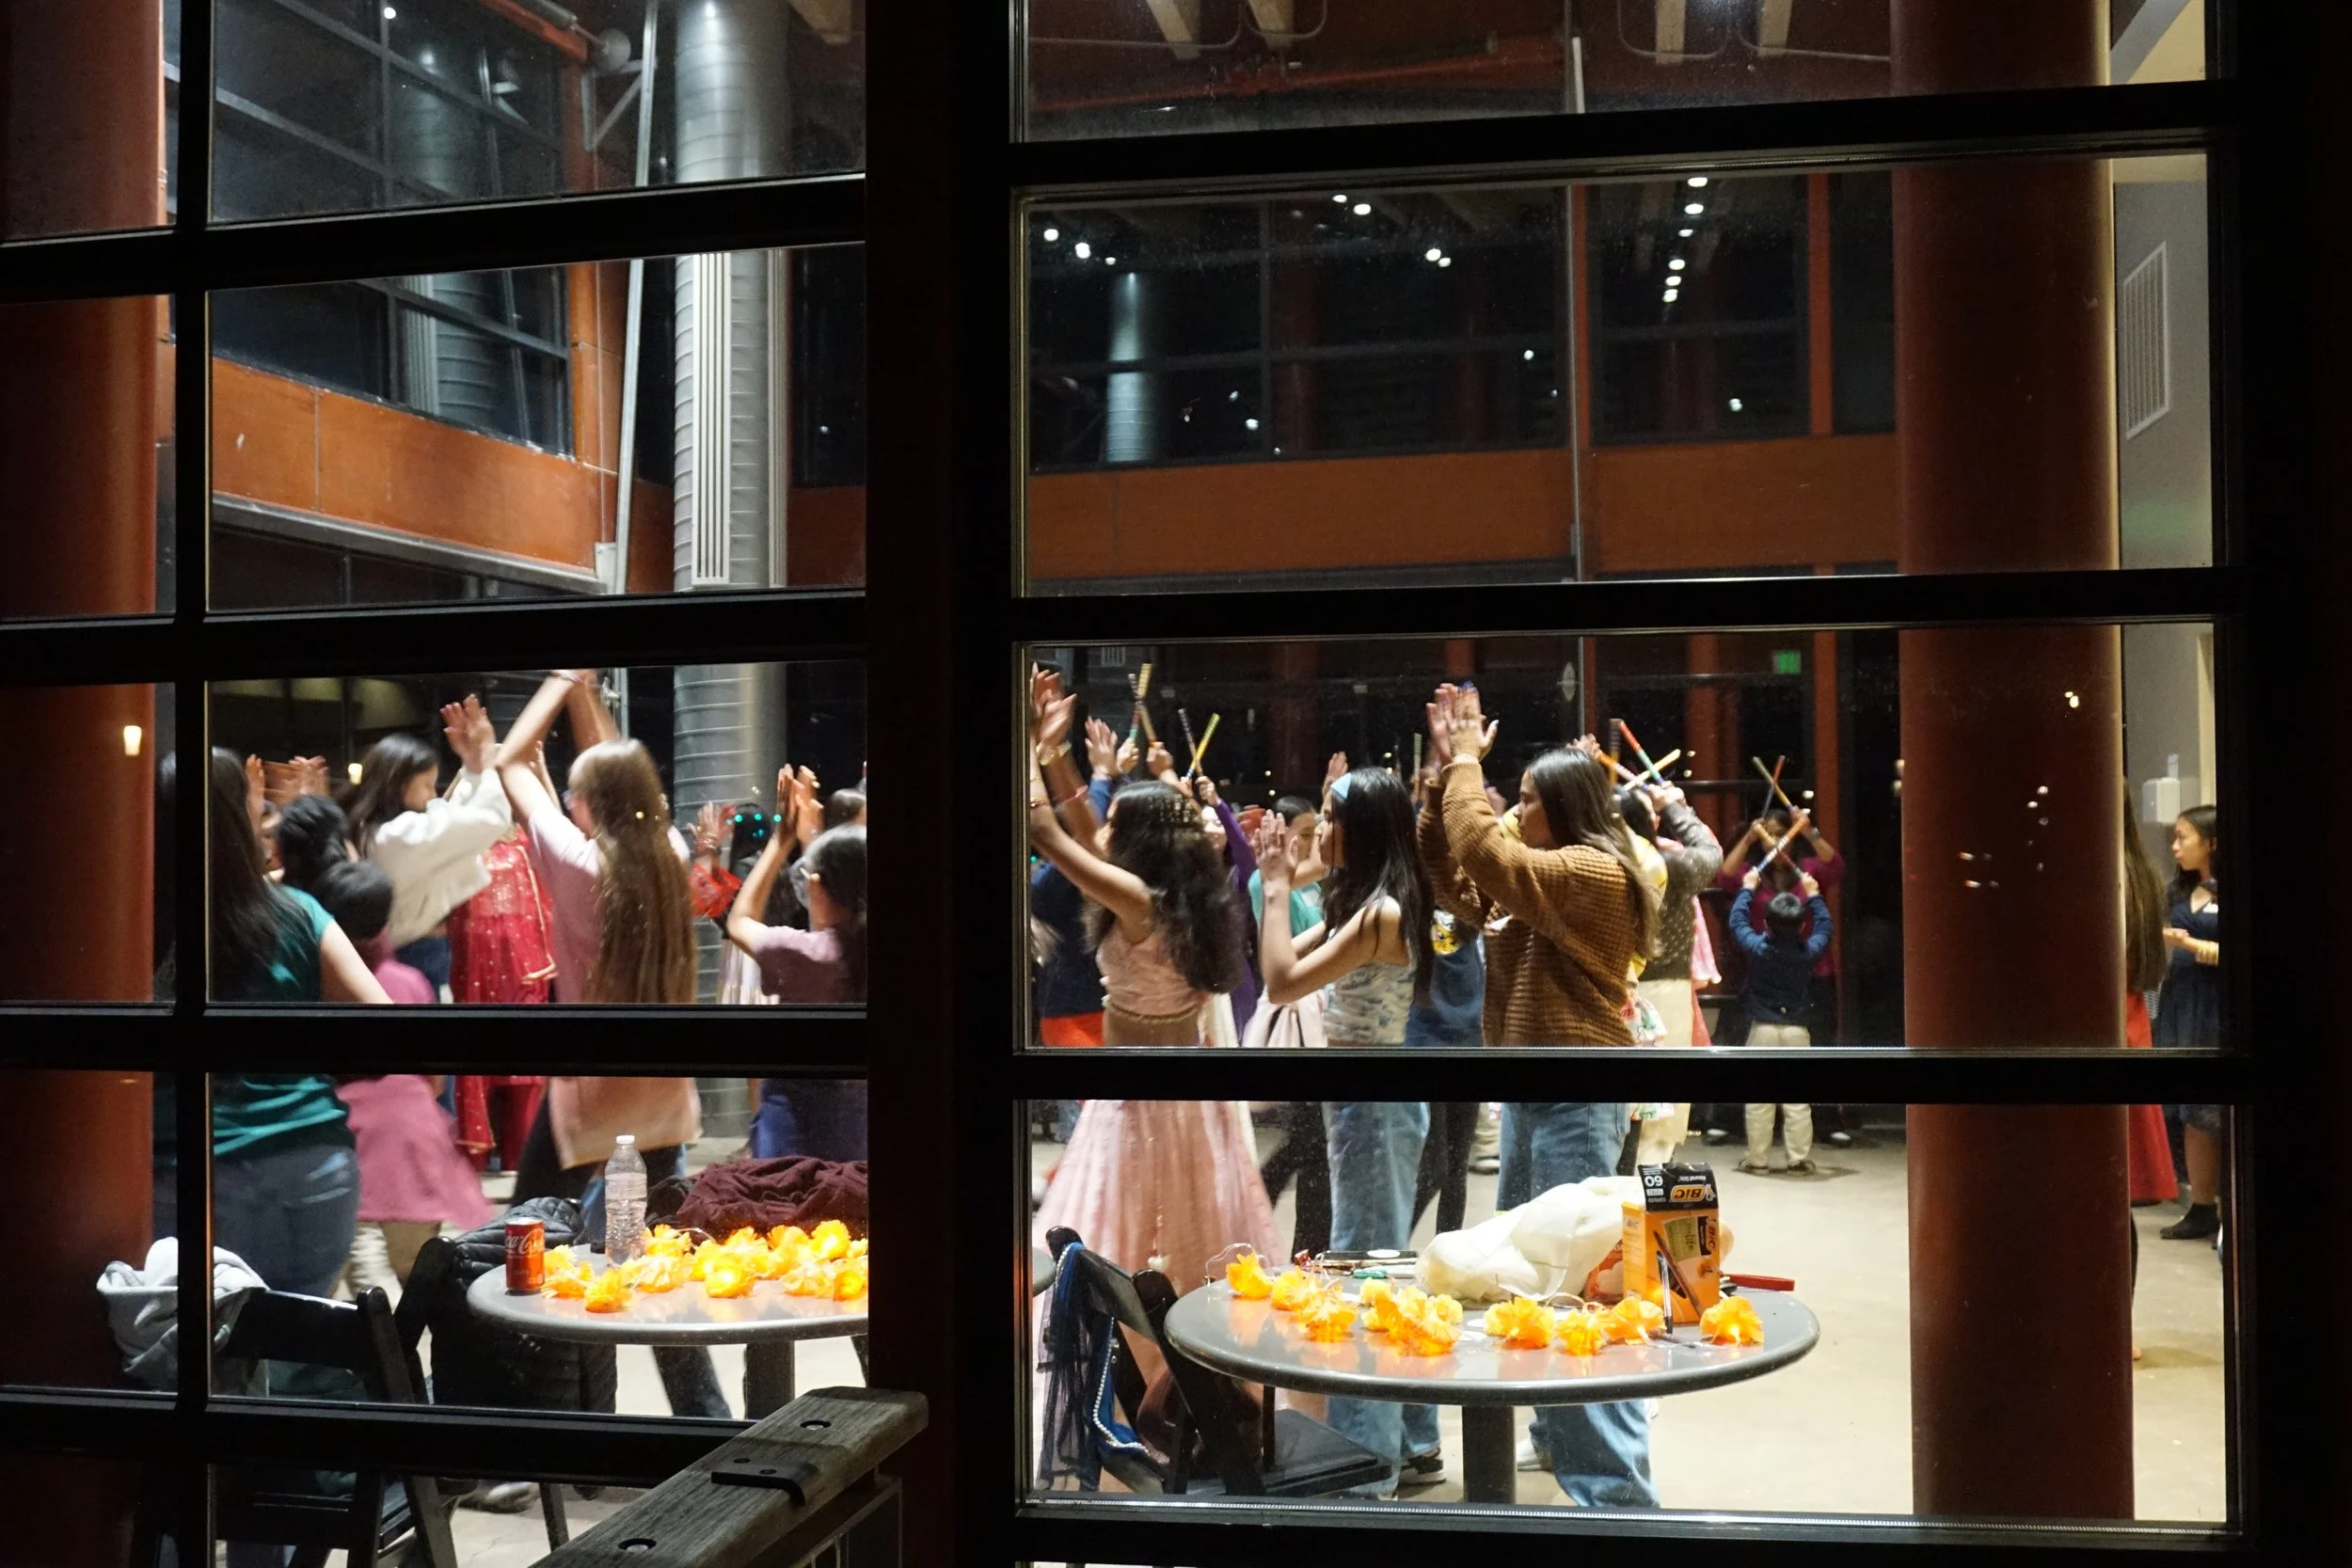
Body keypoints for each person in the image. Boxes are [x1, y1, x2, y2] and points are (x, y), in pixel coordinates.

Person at [1420, 684, 1660, 1509]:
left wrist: (1464, 762)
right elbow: (1453, 873)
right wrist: (1440, 779)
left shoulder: (1592, 872)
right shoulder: (1544, 879)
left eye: (1526, 798)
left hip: (1578, 1095)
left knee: (1578, 1292)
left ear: (1566, 806)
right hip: (1534, 1096)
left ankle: (1619, 1497)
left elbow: (1488, 855)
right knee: (1527, 1278)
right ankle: (1560, 1438)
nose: (1515, 809)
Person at [495, 670, 722, 1418]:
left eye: (575, 792)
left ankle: (544, 1411)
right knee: (650, 1255)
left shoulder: (577, 862)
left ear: (593, 802)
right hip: (658, 1097)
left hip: (587, 1101)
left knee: (529, 1245)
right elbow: (619, 769)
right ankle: (705, 1417)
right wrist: (589, 698)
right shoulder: (670, 855)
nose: (566, 801)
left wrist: (563, 680)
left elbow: (508, 760)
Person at [1025, 669, 1277, 1292]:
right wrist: (1057, 755)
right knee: (1189, 1234)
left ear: (1139, 842)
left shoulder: (1138, 901)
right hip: (1188, 1095)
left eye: (1116, 824)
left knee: (1126, 1240)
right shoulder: (1184, 897)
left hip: (1136, 1097)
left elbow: (1044, 831)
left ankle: (1138, 1342)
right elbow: (1085, 826)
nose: (1103, 830)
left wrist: (1027, 742)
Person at [1256, 768, 1436, 1491]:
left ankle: (1369, 1468)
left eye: (1331, 817)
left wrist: (1275, 885)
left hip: (1374, 1102)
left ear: (1362, 829)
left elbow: (1279, 981)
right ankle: (1411, 1440)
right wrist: (1286, 879)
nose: (1321, 830)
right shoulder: (1365, 905)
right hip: (1365, 1101)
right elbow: (1286, 966)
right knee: (1378, 1265)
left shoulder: (1380, 914)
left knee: (1365, 1273)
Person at [728, 766, 871, 1162]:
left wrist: (781, 840)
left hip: (793, 1129)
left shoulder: (806, 954)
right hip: (862, 1126)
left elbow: (740, 920)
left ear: (818, 886)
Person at [345, 696, 514, 996]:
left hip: (403, 951)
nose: (432, 795)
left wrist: (472, 766)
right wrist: (487, 755)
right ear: (399, 785)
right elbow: (489, 819)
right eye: (427, 785)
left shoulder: (371, 831)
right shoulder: (399, 836)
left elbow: (454, 820)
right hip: (415, 953)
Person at [1621, 782, 1722, 1165]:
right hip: (1664, 990)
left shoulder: (1597, 864)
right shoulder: (1669, 867)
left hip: (1610, 987)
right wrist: (1675, 807)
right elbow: (1710, 852)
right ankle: (1648, 1184)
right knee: (1661, 1107)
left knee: (1620, 1105)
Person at [1727, 866, 1834, 1175]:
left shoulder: (1757, 949)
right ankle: (1797, 1159)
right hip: (1797, 1029)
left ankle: (1757, 1160)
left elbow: (1737, 922)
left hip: (1762, 1028)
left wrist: (1747, 888)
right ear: (1801, 925)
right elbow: (1825, 927)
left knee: (1759, 1100)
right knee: (1797, 1100)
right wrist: (1814, 895)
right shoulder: (1807, 953)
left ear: (1766, 923)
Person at [2154, 805, 2223, 1243]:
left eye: (2184, 837)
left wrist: (2191, 944)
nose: (2176, 846)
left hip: (2217, 1004)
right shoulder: (2178, 891)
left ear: (2212, 843)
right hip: (2181, 1000)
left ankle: (2227, 1205)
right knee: (2190, 1111)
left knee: (2216, 1108)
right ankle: (2201, 1206)